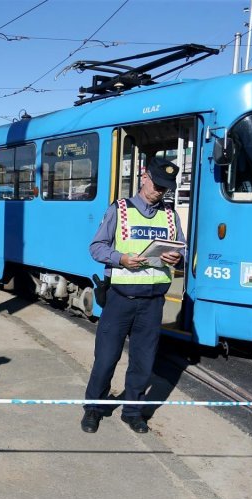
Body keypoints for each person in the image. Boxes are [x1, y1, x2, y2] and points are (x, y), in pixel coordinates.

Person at [81, 157, 186, 435]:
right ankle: (93, 407)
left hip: (153, 302)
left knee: (143, 362)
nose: (160, 192)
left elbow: (184, 251)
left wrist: (177, 257)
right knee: (105, 359)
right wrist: (120, 258)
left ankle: (132, 410)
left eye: (166, 188)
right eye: (157, 185)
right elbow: (96, 247)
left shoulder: (170, 215)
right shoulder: (120, 210)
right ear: (144, 177)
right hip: (120, 299)